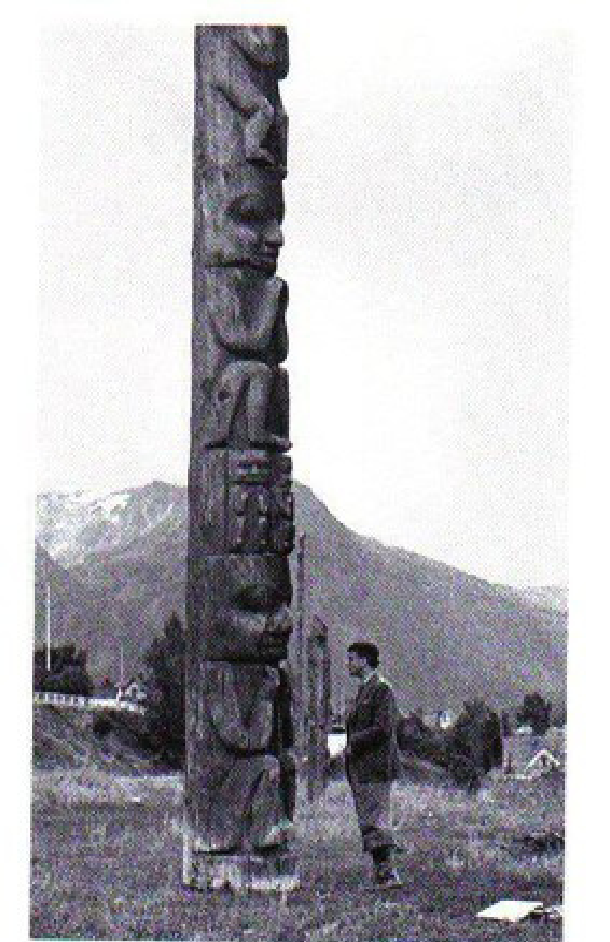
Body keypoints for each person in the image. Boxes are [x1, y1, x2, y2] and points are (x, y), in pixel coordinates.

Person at [345, 641, 402, 887]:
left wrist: (354, 743)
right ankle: (382, 873)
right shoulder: (364, 690)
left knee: (378, 820)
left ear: (364, 661)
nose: (348, 664)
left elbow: (383, 727)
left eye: (351, 659)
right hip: (363, 767)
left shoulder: (381, 689)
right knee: (369, 819)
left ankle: (387, 873)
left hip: (377, 766)